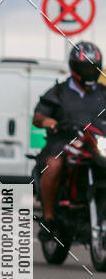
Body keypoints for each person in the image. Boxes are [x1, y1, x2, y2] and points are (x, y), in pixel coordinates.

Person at [33, 40, 106, 241]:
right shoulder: (58, 92)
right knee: (53, 165)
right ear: (74, 68)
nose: (90, 72)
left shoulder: (103, 93)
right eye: (86, 68)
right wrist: (49, 121)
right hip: (63, 141)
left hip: (95, 143)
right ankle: (49, 218)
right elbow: (38, 117)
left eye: (93, 68)